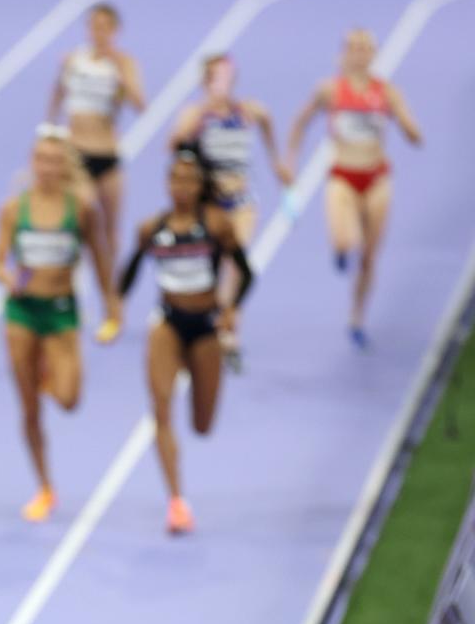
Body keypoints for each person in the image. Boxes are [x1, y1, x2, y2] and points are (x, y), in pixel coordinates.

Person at [119, 151, 253, 535]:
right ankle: (176, 502)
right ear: (167, 184)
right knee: (160, 407)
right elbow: (128, 274)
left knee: (202, 424)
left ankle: (178, 496)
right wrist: (115, 311)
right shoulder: (151, 229)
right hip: (168, 323)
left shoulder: (216, 226)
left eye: (189, 181)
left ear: (200, 186)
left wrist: (232, 308)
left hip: (206, 327)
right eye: (175, 179)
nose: (182, 187)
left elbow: (246, 273)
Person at [0, 129, 120, 521]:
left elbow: (100, 257)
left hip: (62, 312)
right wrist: (8, 277)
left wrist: (111, 306)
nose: (46, 168)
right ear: (32, 164)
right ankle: (44, 487)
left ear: (64, 165)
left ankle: (47, 373)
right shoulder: (14, 209)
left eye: (53, 161)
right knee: (29, 408)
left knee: (68, 399)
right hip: (22, 313)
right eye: (40, 160)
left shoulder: (80, 208)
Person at [283, 29, 422, 346]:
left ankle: (357, 317)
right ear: (343, 54)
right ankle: (342, 250)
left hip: (376, 179)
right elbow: (300, 123)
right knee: (346, 240)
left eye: (365, 48)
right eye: (354, 48)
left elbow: (410, 129)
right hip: (343, 177)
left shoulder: (386, 92)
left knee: (370, 258)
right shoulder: (330, 91)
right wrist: (290, 163)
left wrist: (409, 129)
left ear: (374, 54)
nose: (359, 54)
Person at [169, 53, 288, 369]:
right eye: (215, 77)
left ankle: (230, 331)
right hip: (210, 202)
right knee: (211, 266)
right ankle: (205, 328)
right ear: (206, 82)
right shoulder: (196, 114)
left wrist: (277, 161)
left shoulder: (248, 110)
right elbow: (174, 145)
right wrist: (196, 124)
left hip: (241, 201)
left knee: (235, 262)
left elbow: (267, 123)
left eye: (226, 76)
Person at [47, 2, 144, 280]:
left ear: (115, 30)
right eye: (93, 26)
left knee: (111, 228)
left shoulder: (124, 63)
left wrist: (120, 72)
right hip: (76, 154)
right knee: (79, 221)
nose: (98, 32)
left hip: (108, 154)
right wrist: (50, 130)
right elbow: (57, 94)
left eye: (104, 27)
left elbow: (140, 104)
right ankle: (71, 284)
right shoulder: (73, 60)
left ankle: (110, 290)